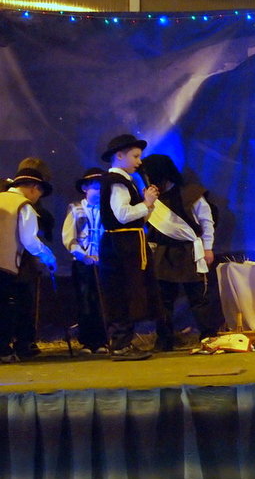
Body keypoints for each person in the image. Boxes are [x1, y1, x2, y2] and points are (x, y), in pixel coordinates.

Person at [141, 154, 218, 350]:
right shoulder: (150, 198)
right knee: (163, 300)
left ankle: (208, 337)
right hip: (163, 253)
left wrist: (208, 247)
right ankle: (164, 340)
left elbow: (206, 222)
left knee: (198, 298)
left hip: (189, 251)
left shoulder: (191, 193)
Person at [97, 133, 161, 360]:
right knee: (121, 290)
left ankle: (124, 341)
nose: (139, 161)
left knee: (127, 290)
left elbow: (136, 218)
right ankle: (120, 344)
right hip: (121, 245)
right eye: (135, 156)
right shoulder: (116, 181)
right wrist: (146, 203)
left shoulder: (125, 181)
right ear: (119, 155)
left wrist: (148, 206)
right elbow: (123, 215)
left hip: (127, 242)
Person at [0, 167, 57, 362]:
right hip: (4, 264)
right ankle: (3, 351)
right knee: (5, 307)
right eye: (40, 192)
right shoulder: (24, 207)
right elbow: (30, 241)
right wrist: (49, 257)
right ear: (34, 188)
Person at [61, 167, 107, 354]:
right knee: (85, 301)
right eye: (95, 188)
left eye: (102, 188)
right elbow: (68, 237)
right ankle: (87, 341)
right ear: (85, 188)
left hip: (102, 262)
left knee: (102, 301)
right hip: (82, 263)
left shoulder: (107, 210)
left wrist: (102, 256)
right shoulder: (75, 209)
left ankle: (103, 340)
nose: (99, 192)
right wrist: (82, 255)